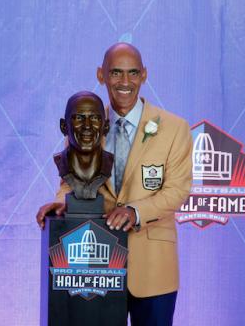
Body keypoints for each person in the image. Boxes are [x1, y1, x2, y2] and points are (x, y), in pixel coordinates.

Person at [36, 43, 193, 325]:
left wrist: (135, 211)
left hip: (154, 270)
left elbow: (177, 191)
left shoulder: (174, 128)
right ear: (101, 75)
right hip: (97, 269)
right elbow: (69, 182)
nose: (125, 82)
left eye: (133, 73)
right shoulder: (85, 123)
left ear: (144, 75)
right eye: (116, 73)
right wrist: (62, 203)